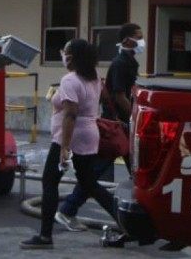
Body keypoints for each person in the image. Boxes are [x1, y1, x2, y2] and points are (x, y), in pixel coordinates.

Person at [20, 38, 118, 250]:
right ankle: (125, 221)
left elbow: (71, 114)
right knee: (89, 182)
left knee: (50, 181)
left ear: (71, 56)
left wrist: (64, 147)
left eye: (64, 51)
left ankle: (45, 236)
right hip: (89, 135)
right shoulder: (93, 78)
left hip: (70, 137)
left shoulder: (70, 80)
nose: (62, 54)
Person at [54, 23, 143, 231]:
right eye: (138, 37)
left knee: (119, 172)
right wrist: (135, 117)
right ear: (127, 40)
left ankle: (138, 210)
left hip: (113, 128)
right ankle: (68, 210)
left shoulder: (125, 63)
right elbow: (117, 96)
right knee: (92, 176)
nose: (141, 41)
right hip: (115, 128)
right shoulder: (119, 64)